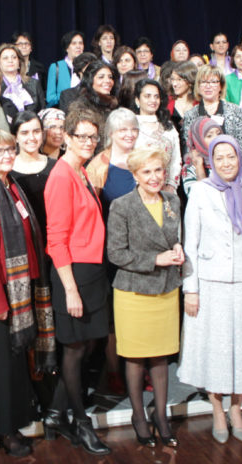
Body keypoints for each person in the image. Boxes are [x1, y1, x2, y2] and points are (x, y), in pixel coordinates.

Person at [0, 128, 55, 457]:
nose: (6, 156)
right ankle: (4, 431)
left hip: (17, 288)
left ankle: (13, 420)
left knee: (12, 363)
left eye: (9, 150)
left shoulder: (10, 184)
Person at [178, 135, 242, 444]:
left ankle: (237, 408)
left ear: (240, 157)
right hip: (210, 283)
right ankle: (217, 407)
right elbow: (190, 243)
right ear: (211, 161)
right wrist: (190, 290)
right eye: (219, 158)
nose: (226, 163)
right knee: (215, 351)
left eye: (231, 156)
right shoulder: (201, 193)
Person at [44, 107, 110, 455]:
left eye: (92, 136)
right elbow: (56, 238)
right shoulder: (61, 175)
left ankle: (55, 414)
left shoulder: (81, 171)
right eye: (80, 136)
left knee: (87, 345)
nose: (87, 141)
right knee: (73, 349)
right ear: (66, 137)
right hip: (74, 273)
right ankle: (81, 425)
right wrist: (70, 288)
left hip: (92, 269)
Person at [107, 146, 183, 447]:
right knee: (137, 357)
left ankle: (161, 416)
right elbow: (115, 253)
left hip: (166, 290)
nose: (154, 177)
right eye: (147, 172)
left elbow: (176, 238)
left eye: (158, 170)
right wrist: (155, 260)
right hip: (134, 291)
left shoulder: (173, 200)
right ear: (135, 175)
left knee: (161, 357)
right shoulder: (122, 206)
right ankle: (139, 416)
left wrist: (178, 250)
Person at [86, 108, 140, 395]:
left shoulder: (143, 158)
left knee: (138, 310)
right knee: (113, 315)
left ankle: (137, 366)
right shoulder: (100, 164)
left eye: (133, 129)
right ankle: (114, 371)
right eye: (123, 130)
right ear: (111, 134)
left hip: (141, 248)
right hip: (111, 250)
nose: (129, 135)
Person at [182, 64, 242, 157]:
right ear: (198, 86)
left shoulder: (235, 111)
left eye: (213, 82)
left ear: (221, 86)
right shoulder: (190, 114)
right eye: (204, 82)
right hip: (200, 166)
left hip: (230, 165)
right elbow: (189, 147)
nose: (208, 86)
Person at [10, 110, 56, 240]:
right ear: (15, 137)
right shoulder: (7, 170)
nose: (32, 138)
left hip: (53, 237)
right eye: (25, 133)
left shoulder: (55, 166)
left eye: (36, 132)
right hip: (21, 239)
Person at [133, 79, 181, 192]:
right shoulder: (131, 125)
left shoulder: (168, 126)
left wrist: (171, 185)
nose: (153, 100)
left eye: (156, 96)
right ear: (137, 100)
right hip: (139, 189)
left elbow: (176, 158)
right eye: (147, 96)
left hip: (167, 189)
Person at [0, 43, 45, 113]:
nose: (10, 61)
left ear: (19, 62)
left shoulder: (34, 83)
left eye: (14, 57)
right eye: (5, 58)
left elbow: (42, 111)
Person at [181, 116, 223, 196]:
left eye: (218, 133)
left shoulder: (227, 160)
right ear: (198, 140)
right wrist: (199, 167)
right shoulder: (190, 168)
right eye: (209, 136)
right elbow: (198, 198)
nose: (216, 138)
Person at [46, 30, 85, 106]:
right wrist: (68, 97)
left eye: (81, 43)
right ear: (67, 48)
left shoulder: (88, 66)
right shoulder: (56, 67)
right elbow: (50, 98)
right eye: (74, 43)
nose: (78, 46)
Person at [167, 61, 197, 134]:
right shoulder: (166, 102)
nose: (174, 84)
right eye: (173, 79)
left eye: (179, 79)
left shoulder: (200, 102)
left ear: (190, 81)